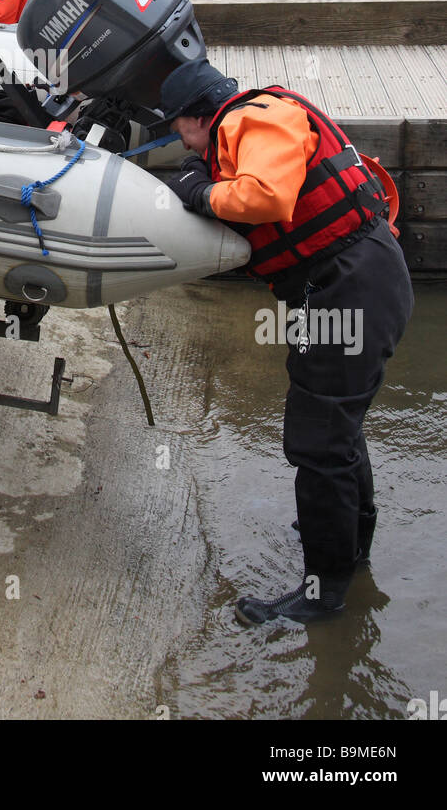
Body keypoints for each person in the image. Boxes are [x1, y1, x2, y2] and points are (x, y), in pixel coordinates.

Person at [161, 58, 414, 626]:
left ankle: (323, 595)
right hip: (350, 283)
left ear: (198, 118)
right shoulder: (255, 115)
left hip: (349, 287)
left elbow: (267, 199)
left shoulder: (252, 121)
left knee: (319, 444)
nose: (183, 143)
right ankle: (350, 548)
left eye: (178, 129)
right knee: (336, 432)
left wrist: (201, 192)